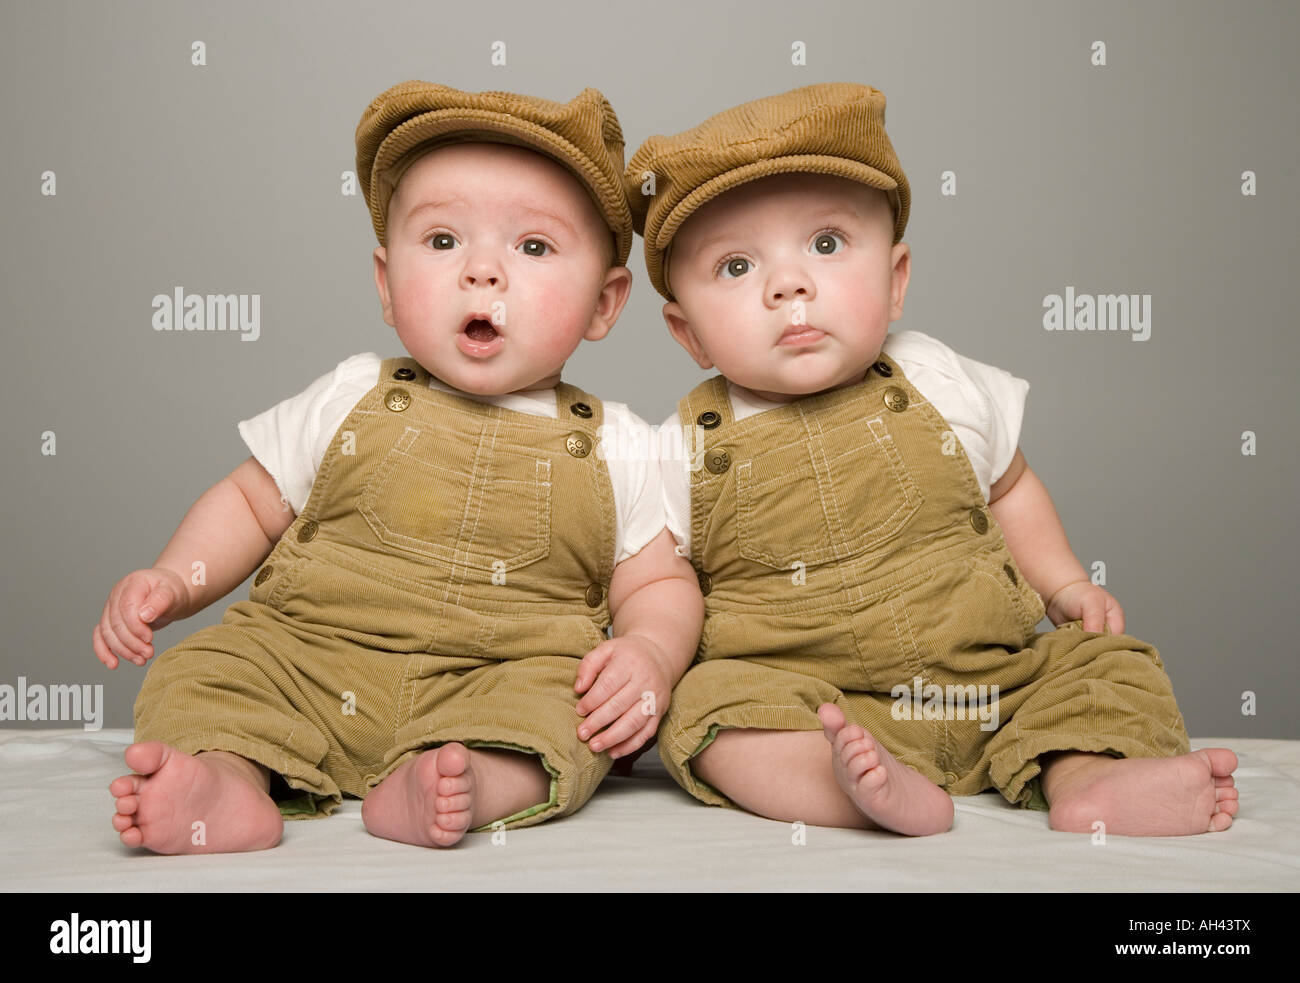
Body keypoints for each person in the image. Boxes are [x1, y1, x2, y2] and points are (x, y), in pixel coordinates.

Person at [95, 81, 702, 853]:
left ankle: (470, 780)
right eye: (443, 241)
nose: (482, 272)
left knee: (567, 715)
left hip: (493, 682)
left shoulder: (619, 443)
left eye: (533, 247)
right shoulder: (349, 394)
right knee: (203, 671)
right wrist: (175, 578)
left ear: (603, 304)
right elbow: (249, 503)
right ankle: (227, 779)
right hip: (307, 661)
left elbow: (656, 583)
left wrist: (650, 653)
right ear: (386, 284)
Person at [627, 82, 1238, 836]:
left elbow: (1010, 486)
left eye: (826, 244)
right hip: (813, 709)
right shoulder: (678, 447)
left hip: (993, 684)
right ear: (688, 334)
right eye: (735, 266)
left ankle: (1087, 778)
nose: (789, 285)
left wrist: (1065, 582)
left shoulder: (939, 379)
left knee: (1108, 665)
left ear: (895, 282)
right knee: (704, 706)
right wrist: (647, 659)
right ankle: (845, 787)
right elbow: (657, 580)